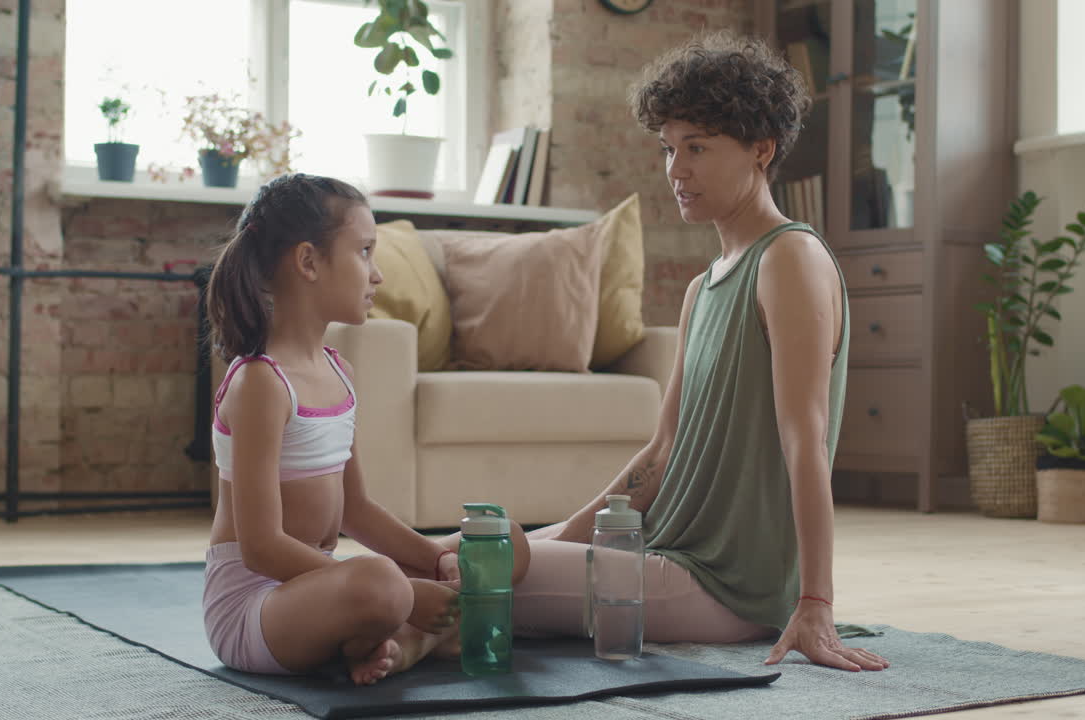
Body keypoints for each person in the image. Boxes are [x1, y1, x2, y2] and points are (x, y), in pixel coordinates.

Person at [516, 33, 889, 673]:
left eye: (697, 148)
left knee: (464, 567)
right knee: (475, 547)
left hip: (726, 586)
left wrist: (816, 600)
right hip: (663, 554)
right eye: (668, 149)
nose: (675, 170)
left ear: (761, 150)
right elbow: (660, 456)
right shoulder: (701, 289)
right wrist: (549, 536)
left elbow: (807, 436)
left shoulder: (789, 259)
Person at [202, 173, 529, 684]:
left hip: (321, 587)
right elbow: (260, 547)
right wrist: (406, 589)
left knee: (501, 539)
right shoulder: (262, 382)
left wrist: (434, 562)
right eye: (365, 252)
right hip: (255, 606)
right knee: (383, 584)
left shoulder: (339, 373)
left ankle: (397, 643)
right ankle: (412, 632)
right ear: (308, 262)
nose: (376, 275)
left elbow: (355, 511)